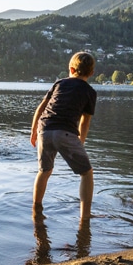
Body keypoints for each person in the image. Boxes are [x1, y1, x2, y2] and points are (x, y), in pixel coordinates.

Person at [30, 52, 97, 221]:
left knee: (44, 171)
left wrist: (33, 131)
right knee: (87, 173)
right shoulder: (90, 92)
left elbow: (41, 108)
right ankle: (85, 216)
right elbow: (85, 122)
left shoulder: (59, 83)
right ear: (91, 73)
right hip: (65, 132)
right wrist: (80, 142)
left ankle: (36, 208)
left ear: (71, 69)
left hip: (44, 130)